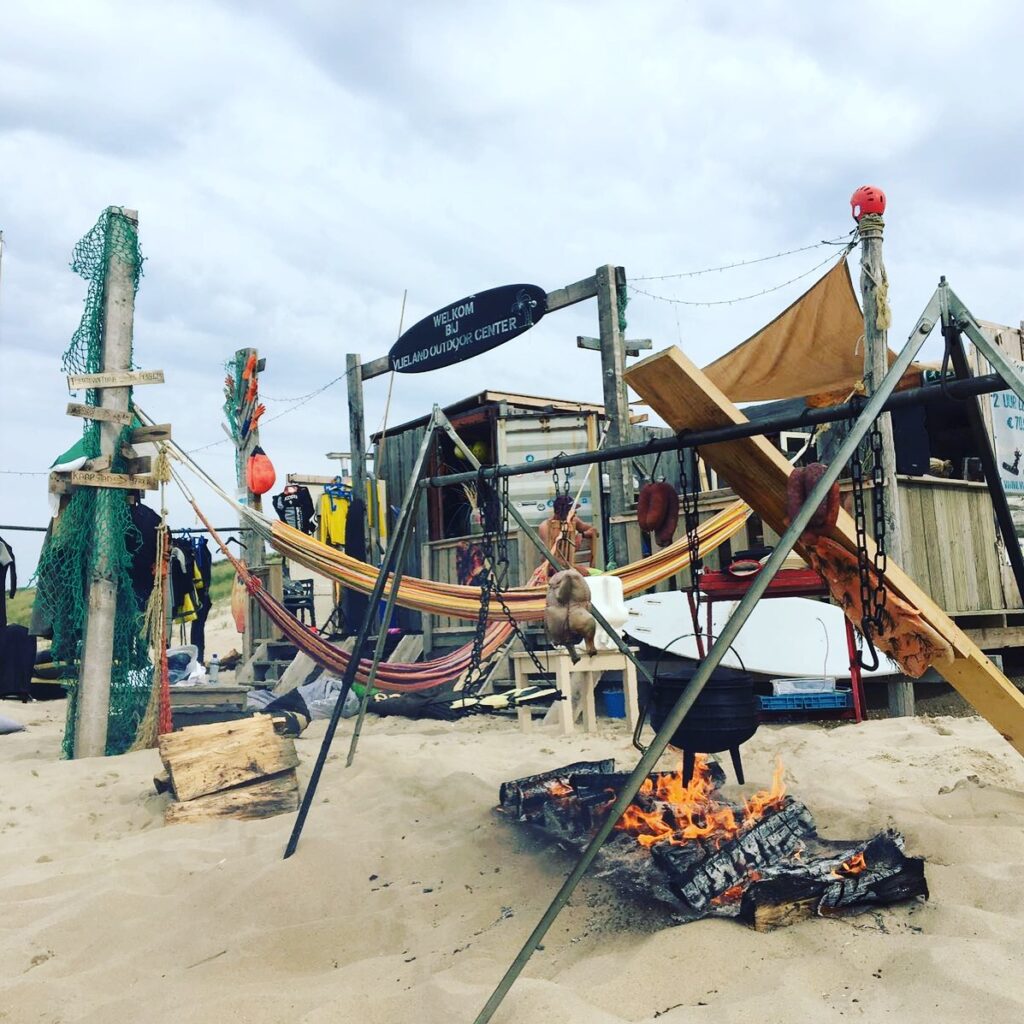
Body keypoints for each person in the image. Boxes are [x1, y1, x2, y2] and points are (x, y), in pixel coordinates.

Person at [538, 495, 598, 576]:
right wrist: (574, 568)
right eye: (571, 511)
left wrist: (582, 535)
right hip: (553, 569)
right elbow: (549, 557)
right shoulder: (545, 527)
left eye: (574, 511)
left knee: (598, 574)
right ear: (560, 512)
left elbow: (593, 531)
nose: (574, 514)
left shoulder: (572, 520)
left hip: (570, 567)